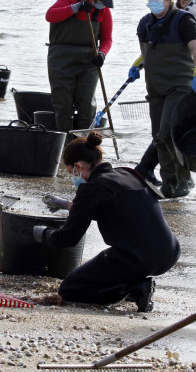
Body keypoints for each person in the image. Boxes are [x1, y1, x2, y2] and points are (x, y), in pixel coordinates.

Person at [33, 132, 180, 312]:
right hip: (169, 252)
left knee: (70, 289)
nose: (74, 178)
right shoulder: (128, 173)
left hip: (136, 258)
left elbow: (67, 239)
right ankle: (134, 284)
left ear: (78, 166)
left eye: (72, 172)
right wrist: (67, 205)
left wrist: (42, 233)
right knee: (109, 267)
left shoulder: (91, 188)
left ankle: (135, 288)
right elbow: (116, 210)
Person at [128, 0, 196, 199]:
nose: (153, 2)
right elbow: (149, 50)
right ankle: (169, 184)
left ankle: (184, 180)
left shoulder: (184, 20)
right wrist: (136, 65)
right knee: (158, 136)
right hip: (155, 86)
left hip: (179, 85)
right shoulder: (144, 24)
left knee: (169, 132)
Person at [44, 0, 115, 133]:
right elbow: (50, 15)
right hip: (61, 58)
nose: (102, 3)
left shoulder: (104, 10)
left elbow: (107, 39)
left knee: (86, 105)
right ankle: (65, 144)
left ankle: (83, 144)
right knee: (63, 104)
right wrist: (75, 8)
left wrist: (102, 53)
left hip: (89, 61)